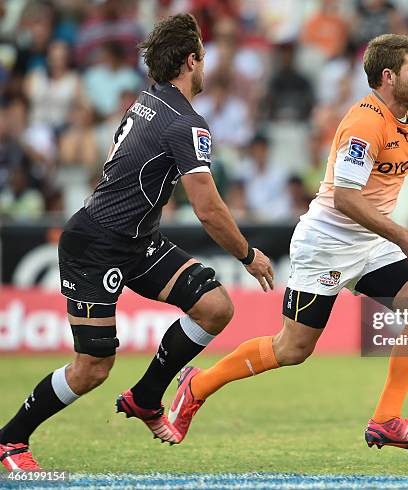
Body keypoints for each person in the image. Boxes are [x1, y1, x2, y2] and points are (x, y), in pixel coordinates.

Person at [0, 13, 273, 471]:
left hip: (138, 240)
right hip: (96, 244)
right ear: (191, 61)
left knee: (214, 307)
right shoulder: (185, 123)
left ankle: (146, 397)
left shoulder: (148, 101)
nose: (204, 66)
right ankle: (10, 440)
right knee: (92, 368)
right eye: (202, 57)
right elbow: (207, 208)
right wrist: (247, 254)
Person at [168, 34, 408, 452]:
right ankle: (199, 383)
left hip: (374, 241)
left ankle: (387, 418)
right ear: (388, 77)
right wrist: (406, 237)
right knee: (293, 348)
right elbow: (346, 199)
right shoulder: (363, 123)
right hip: (326, 244)